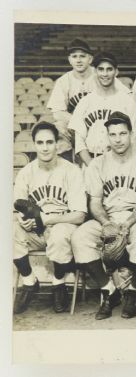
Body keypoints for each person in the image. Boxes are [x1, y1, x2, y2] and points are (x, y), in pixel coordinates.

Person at [71, 111, 136, 320]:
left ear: (132, 135)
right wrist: (106, 223)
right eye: (113, 134)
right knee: (79, 238)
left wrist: (128, 222)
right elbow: (94, 201)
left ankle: (133, 291)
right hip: (107, 216)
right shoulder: (97, 164)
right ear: (107, 137)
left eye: (122, 133)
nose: (118, 139)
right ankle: (110, 290)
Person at [13, 122, 87, 314]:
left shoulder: (71, 171)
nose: (45, 147)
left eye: (49, 142)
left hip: (62, 224)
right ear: (34, 145)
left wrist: (47, 220)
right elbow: (18, 206)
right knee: (10, 230)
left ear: (57, 144)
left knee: (59, 234)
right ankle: (29, 282)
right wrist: (22, 219)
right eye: (40, 142)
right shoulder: (26, 173)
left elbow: (79, 215)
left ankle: (58, 283)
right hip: (35, 229)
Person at [46, 38, 129, 156]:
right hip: (74, 124)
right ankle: (68, 166)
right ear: (69, 60)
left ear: (90, 59)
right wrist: (80, 122)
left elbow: (127, 96)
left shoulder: (102, 74)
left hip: (101, 119)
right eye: (74, 56)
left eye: (82, 56)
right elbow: (57, 113)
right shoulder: (63, 81)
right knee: (58, 128)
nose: (78, 60)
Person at [68, 52, 136, 166]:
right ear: (95, 72)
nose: (105, 74)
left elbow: (134, 138)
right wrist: (91, 165)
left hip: (121, 163)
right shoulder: (85, 102)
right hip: (91, 161)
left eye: (109, 69)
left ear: (116, 72)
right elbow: (79, 142)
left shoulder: (128, 101)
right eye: (101, 69)